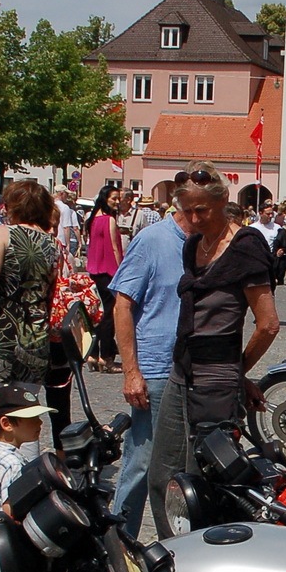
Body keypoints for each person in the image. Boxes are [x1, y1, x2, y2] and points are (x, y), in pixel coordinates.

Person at [146, 169, 280, 537]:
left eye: (201, 210)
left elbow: (268, 324)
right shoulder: (194, 244)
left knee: (201, 480)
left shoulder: (246, 245)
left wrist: (237, 371)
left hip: (216, 382)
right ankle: (172, 552)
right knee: (161, 474)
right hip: (182, 371)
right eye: (186, 211)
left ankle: (205, 557)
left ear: (224, 201)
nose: (193, 219)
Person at [110, 187, 190, 536]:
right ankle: (119, 543)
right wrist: (131, 371)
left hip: (192, 372)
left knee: (182, 469)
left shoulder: (210, 244)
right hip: (156, 369)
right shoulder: (152, 239)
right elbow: (122, 305)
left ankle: (176, 548)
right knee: (142, 464)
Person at [0, 180, 58, 473]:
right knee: (28, 407)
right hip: (36, 332)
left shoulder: (4, 234)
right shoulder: (52, 243)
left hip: (2, 330)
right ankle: (27, 481)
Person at [0, 384, 53, 514]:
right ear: (6, 424)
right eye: (32, 419)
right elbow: (10, 509)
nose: (40, 423)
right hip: (4, 531)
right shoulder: (12, 463)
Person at [84, 184, 124, 370]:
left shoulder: (92, 218)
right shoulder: (109, 219)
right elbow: (114, 247)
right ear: (105, 198)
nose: (117, 202)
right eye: (114, 198)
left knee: (97, 314)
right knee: (109, 315)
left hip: (95, 270)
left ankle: (93, 354)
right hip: (109, 270)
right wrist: (120, 271)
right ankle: (106, 357)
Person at [55, 189, 81, 257]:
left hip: (50, 238)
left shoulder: (49, 205)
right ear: (62, 194)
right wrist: (68, 244)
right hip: (62, 240)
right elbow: (67, 227)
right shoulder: (67, 209)